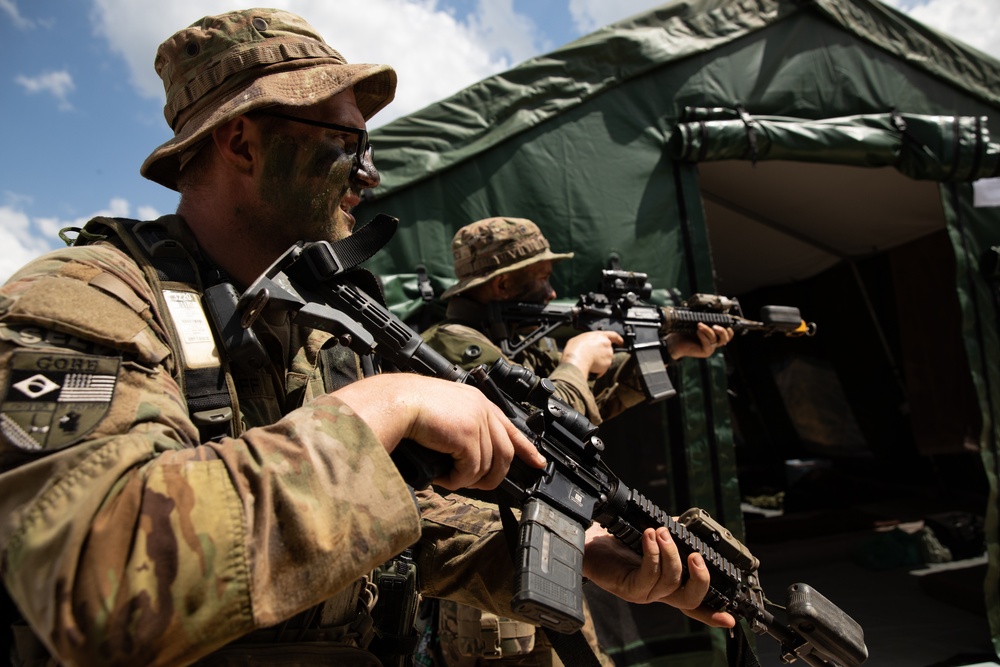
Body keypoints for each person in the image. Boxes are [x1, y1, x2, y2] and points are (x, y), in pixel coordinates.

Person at [0, 9, 734, 667]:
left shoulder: (311, 326)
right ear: (242, 144)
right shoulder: (86, 301)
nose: (369, 173)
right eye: (345, 142)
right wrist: (381, 407)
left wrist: (586, 556)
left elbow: (405, 521)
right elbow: (94, 584)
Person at [419, 217, 734, 666]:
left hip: (553, 553)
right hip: (489, 573)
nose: (551, 293)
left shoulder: (514, 342)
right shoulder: (451, 346)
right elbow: (540, 429)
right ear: (504, 285)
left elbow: (587, 401)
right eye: (542, 278)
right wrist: (577, 359)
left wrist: (672, 347)